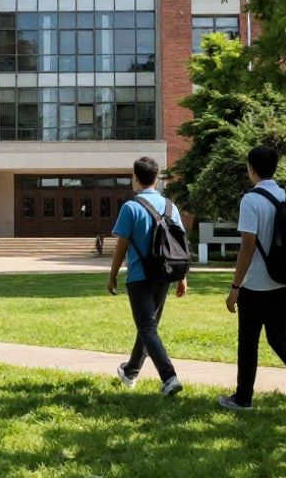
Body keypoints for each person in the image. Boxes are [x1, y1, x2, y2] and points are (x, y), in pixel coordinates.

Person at [218, 145, 286, 420]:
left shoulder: (250, 200)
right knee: (279, 338)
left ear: (251, 169)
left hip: (256, 284)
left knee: (248, 341)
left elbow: (247, 246)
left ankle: (243, 398)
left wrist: (235, 288)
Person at [107, 156, 186, 397]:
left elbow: (121, 245)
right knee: (148, 327)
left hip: (140, 277)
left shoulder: (131, 207)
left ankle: (169, 377)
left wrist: (112, 276)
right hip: (165, 275)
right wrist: (182, 277)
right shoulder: (170, 206)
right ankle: (130, 371)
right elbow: (180, 243)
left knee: (147, 328)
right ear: (157, 176)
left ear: (135, 176)